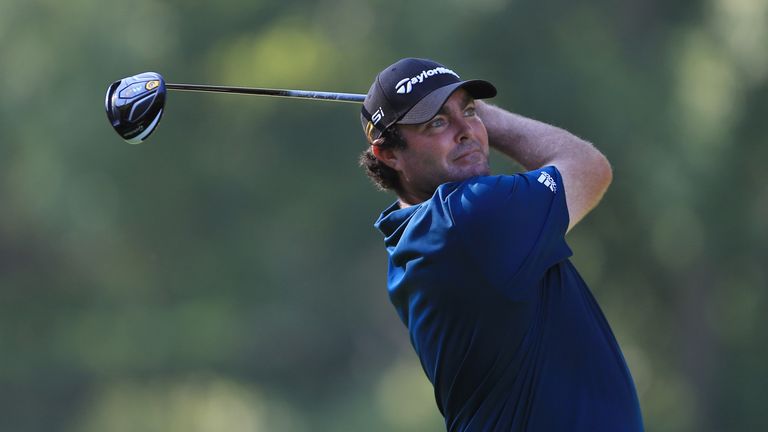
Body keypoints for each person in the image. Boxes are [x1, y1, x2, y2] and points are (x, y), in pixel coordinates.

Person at [359, 58, 644, 431]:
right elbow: (588, 166)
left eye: (470, 111)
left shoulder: (408, 236)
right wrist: (490, 119)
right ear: (389, 154)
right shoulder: (470, 216)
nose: (467, 131)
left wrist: (457, 120)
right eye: (437, 122)